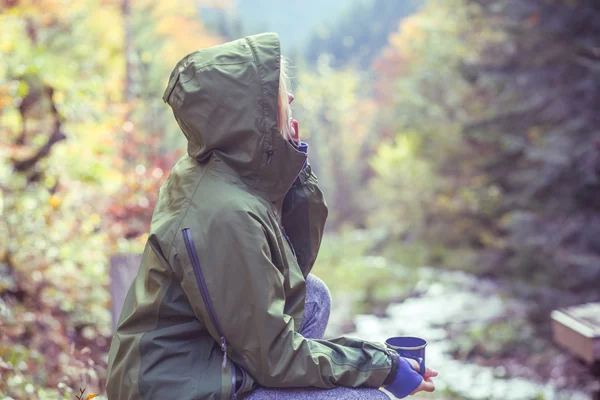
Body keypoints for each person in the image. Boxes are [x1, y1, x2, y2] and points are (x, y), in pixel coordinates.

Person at [105, 32, 438, 400]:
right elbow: (274, 358)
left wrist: (291, 165)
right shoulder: (224, 213)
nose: (290, 97)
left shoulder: (219, 170)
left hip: (198, 360)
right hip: (173, 390)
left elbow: (292, 267)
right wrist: (381, 366)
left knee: (312, 296)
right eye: (277, 91)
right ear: (247, 115)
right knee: (368, 399)